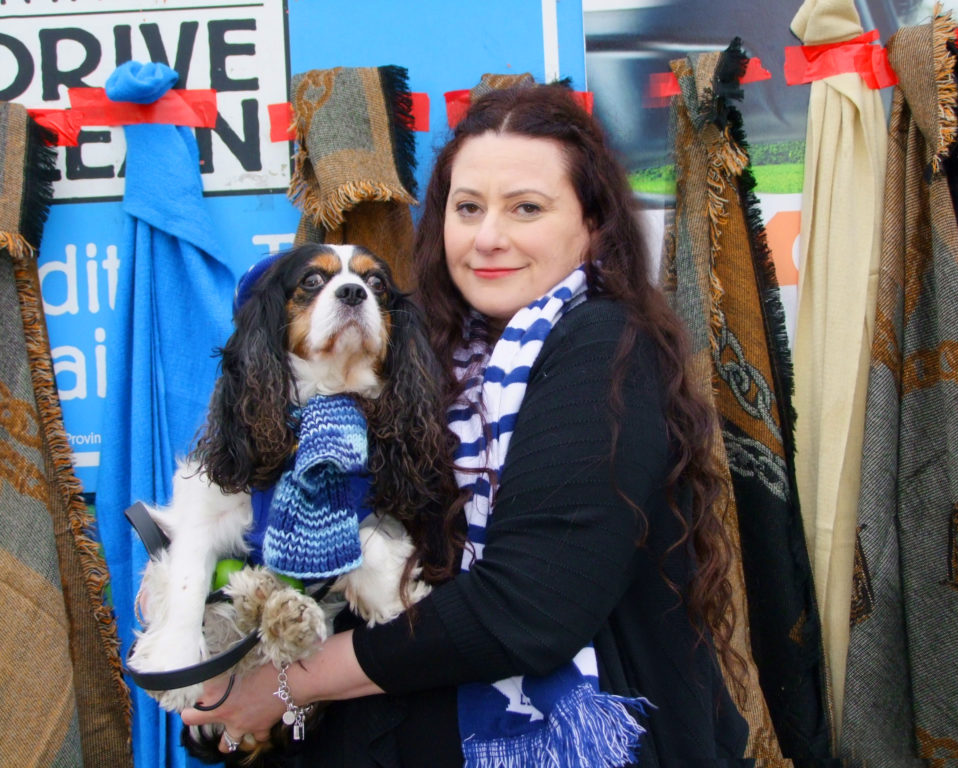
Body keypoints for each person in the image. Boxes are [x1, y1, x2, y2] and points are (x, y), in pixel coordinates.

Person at [182, 82, 749, 766]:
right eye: (468, 207)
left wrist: (284, 685)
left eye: (526, 209)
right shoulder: (409, 351)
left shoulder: (604, 346)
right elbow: (338, 566)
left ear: (593, 225)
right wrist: (224, 664)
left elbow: (529, 608)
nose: (488, 238)